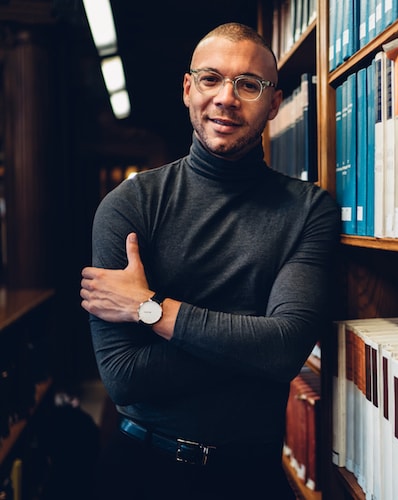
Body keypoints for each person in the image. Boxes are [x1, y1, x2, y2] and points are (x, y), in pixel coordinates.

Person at [79, 22, 340, 500]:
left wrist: (148, 308)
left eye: (248, 85)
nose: (226, 98)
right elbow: (124, 378)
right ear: (188, 88)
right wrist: (252, 337)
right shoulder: (129, 206)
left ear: (274, 103)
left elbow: (283, 351)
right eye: (211, 78)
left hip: (253, 478)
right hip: (138, 473)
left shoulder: (309, 210)